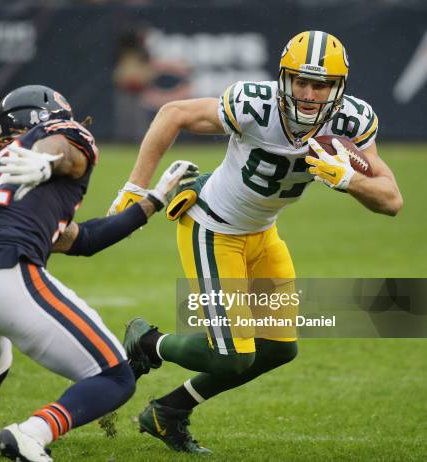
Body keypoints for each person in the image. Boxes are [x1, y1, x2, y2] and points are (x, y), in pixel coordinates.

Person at [108, 30, 403, 454]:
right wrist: (136, 187)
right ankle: (147, 342)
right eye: (299, 80)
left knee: (279, 350)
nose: (307, 93)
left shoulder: (350, 122)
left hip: (262, 234)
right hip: (212, 229)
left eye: (319, 84)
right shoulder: (255, 105)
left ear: (339, 88)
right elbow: (172, 112)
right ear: (283, 78)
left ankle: (166, 412)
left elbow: (392, 200)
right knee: (232, 356)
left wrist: (349, 179)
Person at [0, 85, 197, 462]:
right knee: (115, 375)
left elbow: (79, 239)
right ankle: (32, 434)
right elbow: (62, 148)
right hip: (6, 273)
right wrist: (46, 161)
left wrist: (151, 202)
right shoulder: (63, 140)